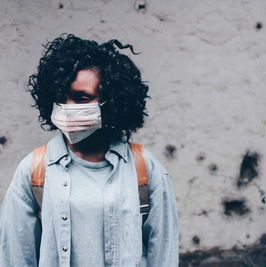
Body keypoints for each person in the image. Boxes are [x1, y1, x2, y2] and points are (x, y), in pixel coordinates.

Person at [0, 33, 179, 267]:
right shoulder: (34, 170)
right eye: (61, 98)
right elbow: (16, 257)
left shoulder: (144, 168)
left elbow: (163, 253)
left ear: (112, 103)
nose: (67, 108)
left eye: (82, 98)